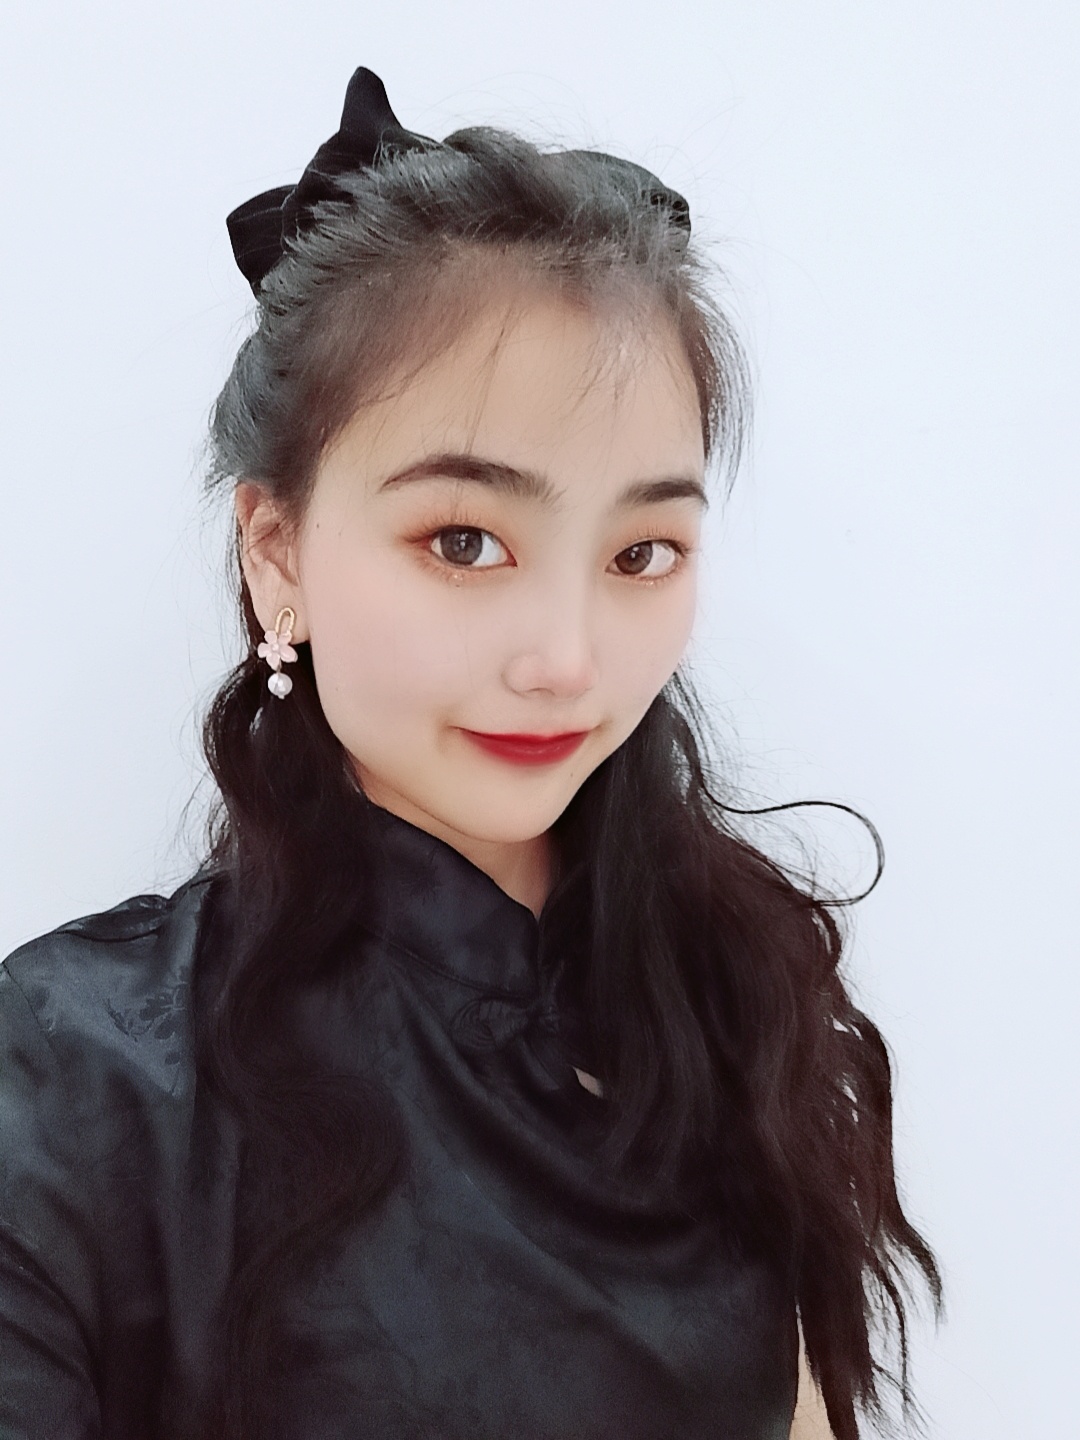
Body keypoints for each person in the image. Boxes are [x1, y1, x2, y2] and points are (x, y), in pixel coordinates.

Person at [0, 66, 940, 1440]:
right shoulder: (68, 1083)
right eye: (464, 541)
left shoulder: (733, 1000)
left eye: (641, 553)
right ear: (277, 554)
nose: (567, 656)